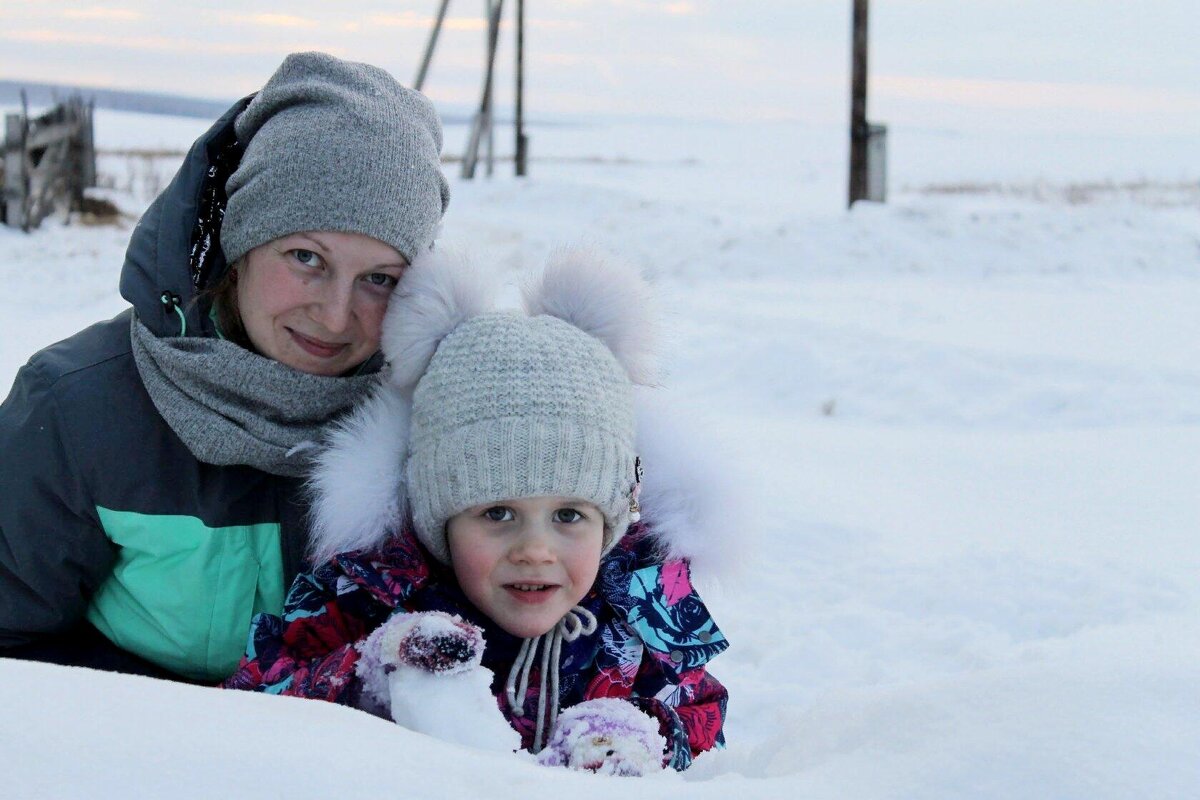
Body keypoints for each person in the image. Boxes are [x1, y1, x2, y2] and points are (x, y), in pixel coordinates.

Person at [0, 52, 450, 682]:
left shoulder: (435, 421)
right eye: (306, 257)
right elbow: (12, 655)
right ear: (240, 245)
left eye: (379, 278)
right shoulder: (76, 412)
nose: (335, 315)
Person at [222, 248, 730, 774]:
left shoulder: (643, 600)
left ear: (614, 518)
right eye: (497, 514)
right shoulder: (372, 591)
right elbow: (258, 690)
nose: (535, 550)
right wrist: (373, 670)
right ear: (437, 517)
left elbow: (701, 705)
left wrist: (640, 732)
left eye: (569, 516)